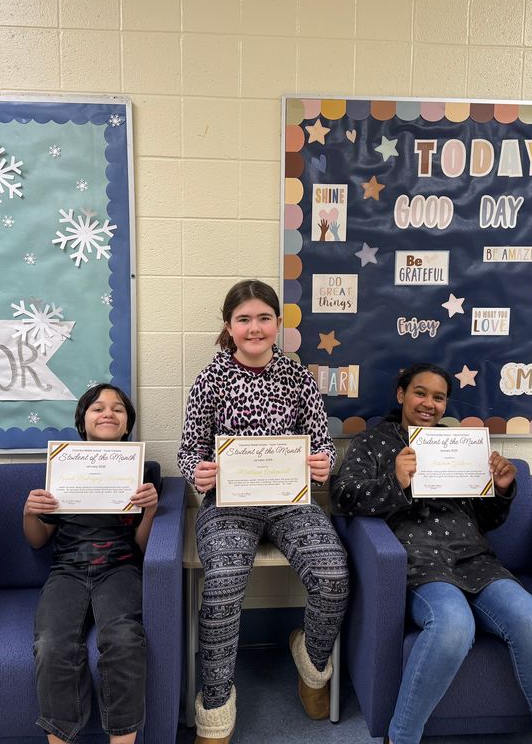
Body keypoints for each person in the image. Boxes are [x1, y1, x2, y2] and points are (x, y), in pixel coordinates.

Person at [332, 363, 532, 744]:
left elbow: (486, 518)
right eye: (419, 393)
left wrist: (502, 488)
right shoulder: (373, 442)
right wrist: (396, 481)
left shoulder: (458, 443)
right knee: (453, 625)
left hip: (475, 558)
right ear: (401, 395)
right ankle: (402, 737)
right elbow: (343, 498)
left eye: (438, 397)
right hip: (419, 562)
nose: (429, 404)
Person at [177, 279, 349, 744]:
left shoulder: (298, 379)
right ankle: (215, 707)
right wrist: (200, 472)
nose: (254, 328)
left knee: (333, 575)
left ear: (278, 323)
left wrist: (322, 464)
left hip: (291, 502)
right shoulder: (210, 380)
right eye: (243, 319)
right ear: (229, 327)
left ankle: (313, 666)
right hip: (229, 505)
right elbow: (187, 451)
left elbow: (323, 444)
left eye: (263, 318)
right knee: (223, 587)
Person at [23, 383, 158, 744]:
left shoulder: (144, 471)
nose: (108, 413)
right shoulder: (62, 466)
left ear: (128, 424)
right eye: (98, 408)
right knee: (51, 644)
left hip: (121, 568)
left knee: (124, 639)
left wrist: (151, 510)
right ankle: (61, 737)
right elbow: (37, 540)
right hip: (67, 570)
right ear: (83, 421)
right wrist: (29, 511)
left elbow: (143, 547)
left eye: (118, 409)